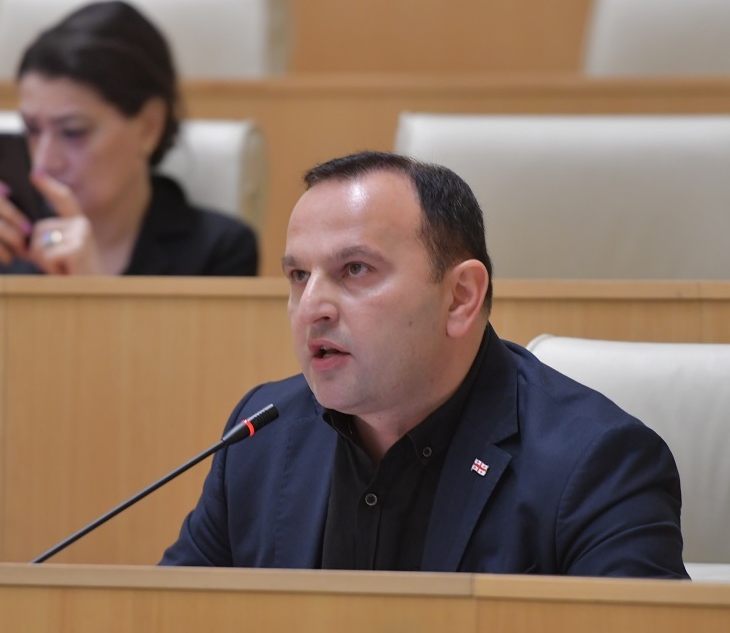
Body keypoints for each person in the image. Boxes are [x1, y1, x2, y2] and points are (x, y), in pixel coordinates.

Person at [161, 151, 688, 577]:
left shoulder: (597, 465)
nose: (312, 307)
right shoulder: (260, 439)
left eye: (355, 269)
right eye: (299, 276)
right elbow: (175, 629)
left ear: (460, 297)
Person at [0, 0, 258, 277]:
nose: (43, 161)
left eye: (73, 132)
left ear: (148, 128)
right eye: (33, 130)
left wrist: (92, 291)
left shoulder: (219, 249)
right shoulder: (1, 238)